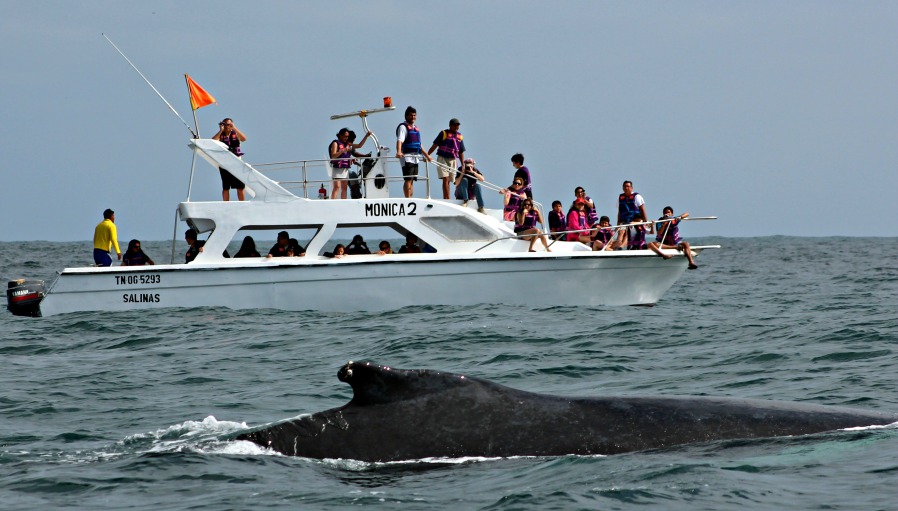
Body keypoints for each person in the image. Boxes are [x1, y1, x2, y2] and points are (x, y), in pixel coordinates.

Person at [395, 106, 432, 198]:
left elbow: (419, 144)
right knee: (408, 178)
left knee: (412, 179)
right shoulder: (403, 127)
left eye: (414, 115)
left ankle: (411, 197)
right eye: (411, 115)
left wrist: (427, 155)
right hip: (407, 157)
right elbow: (400, 140)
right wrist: (399, 152)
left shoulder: (415, 128)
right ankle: (407, 199)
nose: (413, 117)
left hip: (415, 157)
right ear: (406, 116)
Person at [427, 118, 466, 199]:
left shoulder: (459, 137)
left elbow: (461, 151)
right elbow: (435, 145)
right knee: (445, 179)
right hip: (442, 158)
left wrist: (463, 165)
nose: (456, 127)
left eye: (457, 125)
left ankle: (448, 197)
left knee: (450, 180)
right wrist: (427, 155)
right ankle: (447, 198)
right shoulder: (443, 133)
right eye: (454, 125)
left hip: (453, 160)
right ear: (450, 125)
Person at [329, 128, 372, 199]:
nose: (347, 138)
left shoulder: (348, 144)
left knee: (344, 188)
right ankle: (332, 202)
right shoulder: (335, 143)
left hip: (345, 169)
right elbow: (333, 156)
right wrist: (342, 151)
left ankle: (344, 203)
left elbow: (359, 145)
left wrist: (366, 136)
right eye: (345, 136)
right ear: (340, 135)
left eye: (347, 136)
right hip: (337, 168)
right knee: (337, 187)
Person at [212, 118, 248, 201]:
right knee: (226, 187)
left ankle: (242, 204)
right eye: (225, 124)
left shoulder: (235, 133)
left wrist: (234, 127)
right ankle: (226, 205)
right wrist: (220, 130)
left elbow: (244, 138)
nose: (227, 126)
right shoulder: (220, 135)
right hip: (224, 165)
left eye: (229, 124)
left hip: (237, 163)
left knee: (240, 186)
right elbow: (212, 141)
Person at [617, 180, 648, 248]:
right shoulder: (620, 198)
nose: (626, 188)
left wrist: (645, 222)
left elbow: (642, 209)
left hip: (635, 221)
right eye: (624, 186)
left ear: (631, 188)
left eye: (628, 186)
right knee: (621, 231)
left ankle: (621, 247)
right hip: (624, 221)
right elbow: (619, 211)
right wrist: (618, 222)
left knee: (629, 232)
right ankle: (617, 246)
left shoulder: (637, 197)